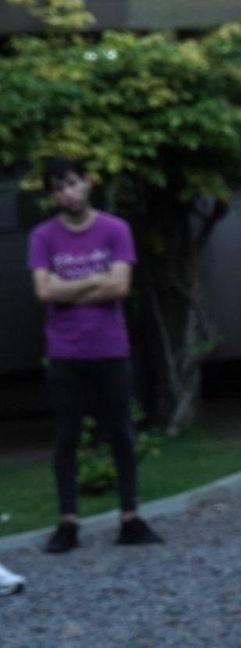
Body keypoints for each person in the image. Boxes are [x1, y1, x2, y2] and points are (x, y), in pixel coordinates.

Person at [27, 157, 163, 554]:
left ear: (87, 183)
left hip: (109, 347)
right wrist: (92, 280)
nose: (68, 193)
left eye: (73, 183)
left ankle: (130, 517)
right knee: (67, 435)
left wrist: (66, 284)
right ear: (53, 195)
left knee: (120, 432)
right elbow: (44, 293)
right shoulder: (43, 237)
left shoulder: (114, 229)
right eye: (59, 187)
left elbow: (120, 286)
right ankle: (68, 521)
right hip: (65, 351)